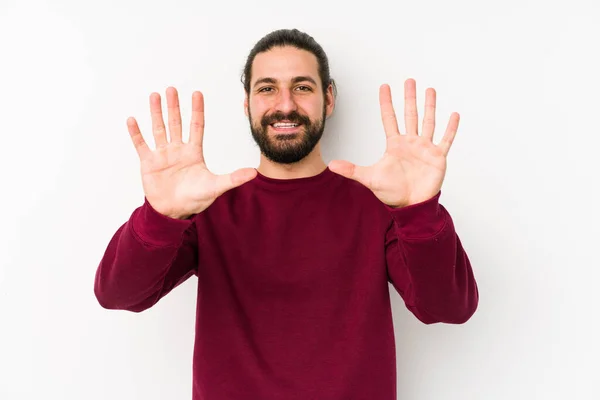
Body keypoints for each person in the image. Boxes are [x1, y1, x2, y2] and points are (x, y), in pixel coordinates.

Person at [94, 28, 479, 400]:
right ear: (247, 103)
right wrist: (160, 216)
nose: (285, 105)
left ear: (328, 99)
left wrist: (418, 211)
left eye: (302, 87)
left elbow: (448, 307)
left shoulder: (378, 205)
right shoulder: (206, 206)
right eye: (267, 88)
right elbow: (119, 294)